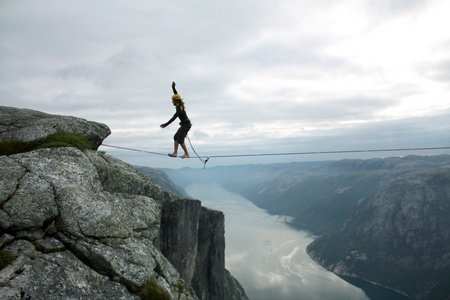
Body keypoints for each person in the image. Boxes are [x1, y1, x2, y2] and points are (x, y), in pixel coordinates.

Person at [160, 82, 192, 158]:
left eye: (173, 100)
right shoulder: (180, 105)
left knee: (180, 140)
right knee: (175, 137)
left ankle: (187, 154)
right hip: (184, 124)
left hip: (186, 125)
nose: (172, 102)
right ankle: (175, 153)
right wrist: (173, 87)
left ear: (176, 101)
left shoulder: (179, 110)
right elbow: (176, 94)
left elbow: (173, 118)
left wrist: (165, 125)